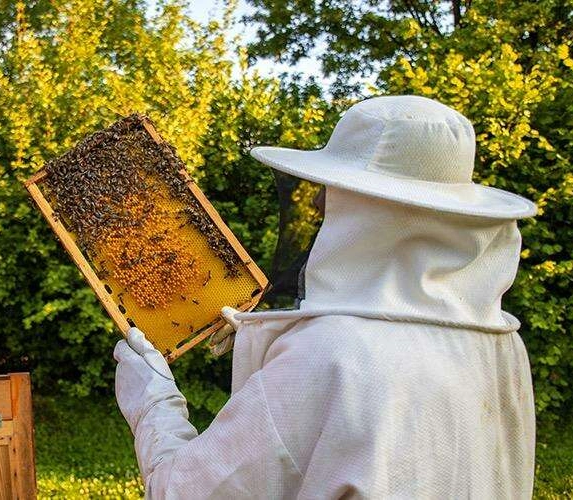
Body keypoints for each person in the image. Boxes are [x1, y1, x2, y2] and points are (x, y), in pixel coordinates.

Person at [113, 95, 538, 499]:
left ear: (369, 210)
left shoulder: (328, 356)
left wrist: (153, 399)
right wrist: (261, 339)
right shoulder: (502, 345)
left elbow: (181, 492)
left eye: (332, 188)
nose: (317, 201)